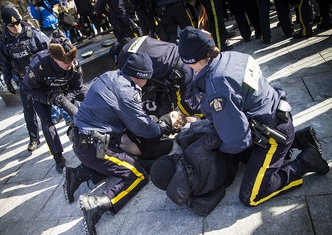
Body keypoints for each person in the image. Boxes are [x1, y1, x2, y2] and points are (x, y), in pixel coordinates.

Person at [177, 26, 329, 207]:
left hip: (272, 136)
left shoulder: (218, 87)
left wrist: (218, 149)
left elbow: (238, 141)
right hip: (277, 117)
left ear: (191, 61)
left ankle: (306, 162)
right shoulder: (231, 56)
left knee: (251, 196)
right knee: (245, 155)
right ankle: (301, 138)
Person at [73, 52, 175, 235]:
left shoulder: (110, 76)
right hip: (95, 148)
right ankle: (98, 204)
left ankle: (76, 174)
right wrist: (161, 128)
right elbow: (144, 128)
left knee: (127, 161)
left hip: (84, 141)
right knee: (137, 175)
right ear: (140, 77)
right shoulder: (127, 92)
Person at [22, 37, 87, 173]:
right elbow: (28, 89)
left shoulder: (74, 65)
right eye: (66, 63)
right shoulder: (38, 66)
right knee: (47, 124)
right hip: (42, 94)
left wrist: (66, 98)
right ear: (55, 59)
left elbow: (77, 86)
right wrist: (47, 99)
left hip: (65, 89)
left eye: (72, 61)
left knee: (88, 98)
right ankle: (58, 157)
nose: (70, 64)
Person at [151, 120, 239, 216]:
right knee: (185, 137)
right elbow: (219, 134)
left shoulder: (188, 196)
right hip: (230, 156)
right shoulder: (194, 152)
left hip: (228, 174)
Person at [0, 5, 50, 152]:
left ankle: (75, 121)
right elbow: (4, 63)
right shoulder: (4, 41)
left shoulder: (32, 33)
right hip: (25, 80)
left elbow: (49, 49)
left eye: (17, 23)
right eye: (11, 25)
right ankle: (34, 138)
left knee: (61, 100)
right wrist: (7, 81)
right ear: (6, 25)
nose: (16, 27)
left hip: (42, 76)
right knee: (28, 111)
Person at [111, 36, 202, 118]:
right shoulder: (137, 39)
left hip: (180, 72)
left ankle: (209, 117)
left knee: (187, 108)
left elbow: (136, 84)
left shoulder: (124, 57)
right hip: (185, 55)